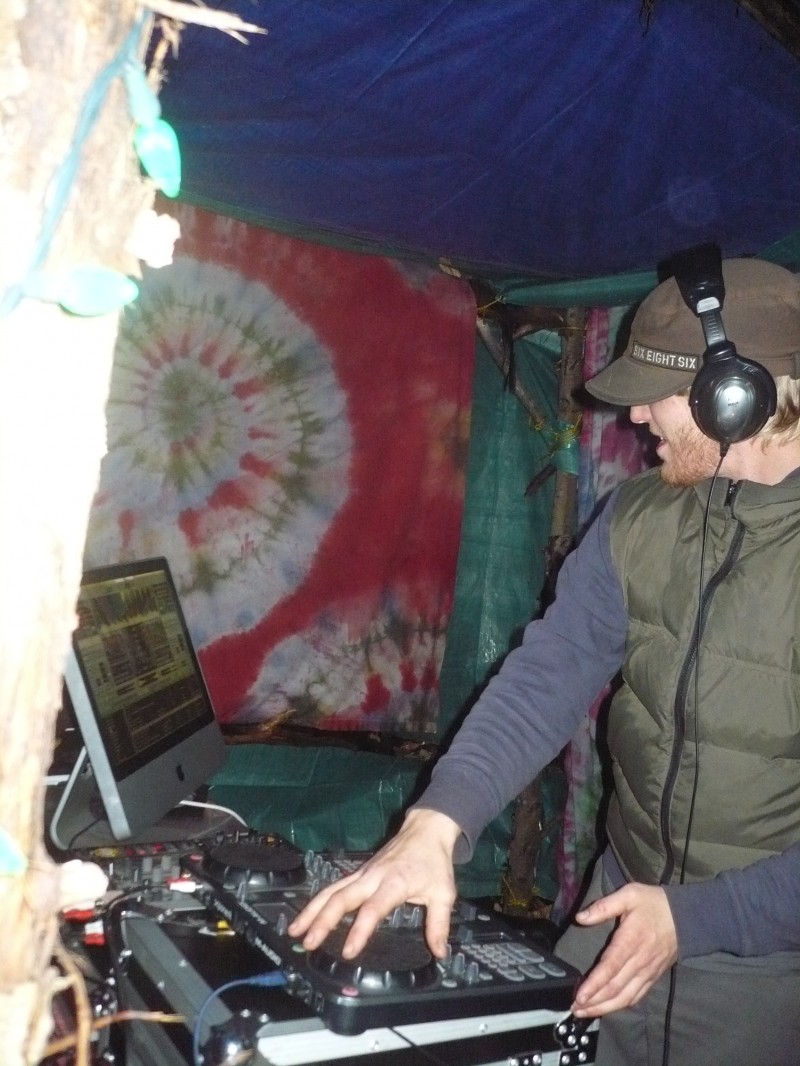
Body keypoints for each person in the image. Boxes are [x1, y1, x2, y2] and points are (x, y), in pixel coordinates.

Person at [289, 255, 800, 1066]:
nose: (635, 415)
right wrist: (436, 823)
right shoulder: (639, 515)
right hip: (620, 900)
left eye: (657, 393)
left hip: (768, 959)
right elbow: (548, 675)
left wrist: (701, 918)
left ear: (737, 396)